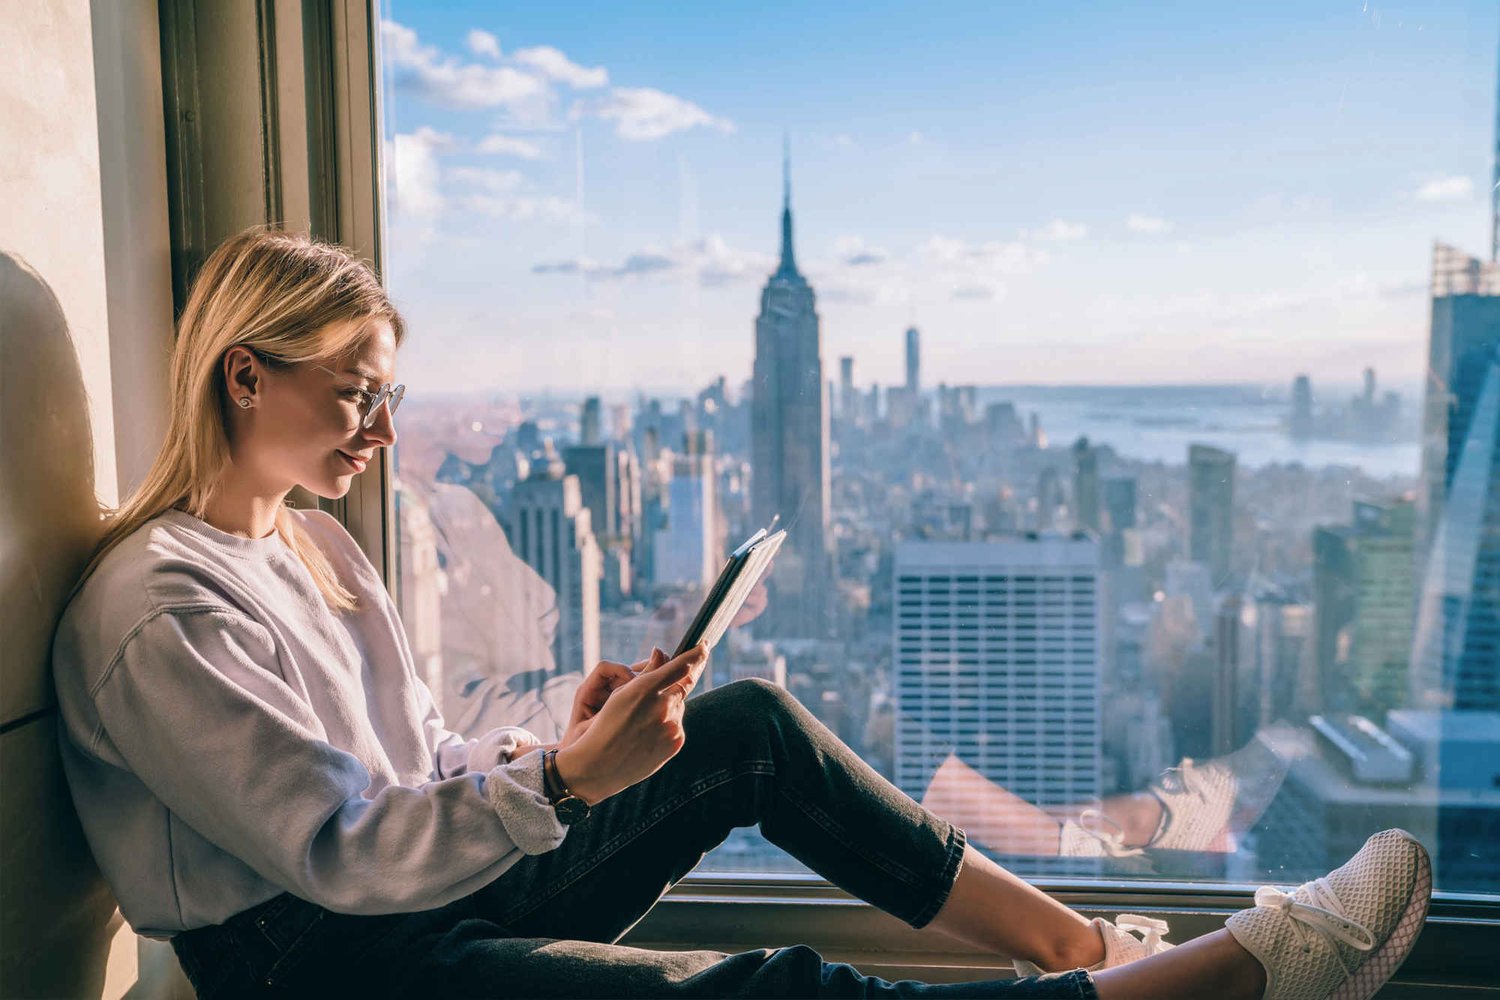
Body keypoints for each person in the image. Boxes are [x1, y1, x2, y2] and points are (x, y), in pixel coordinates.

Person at [52, 229, 1432, 1000]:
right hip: (310, 973)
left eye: (391, 396)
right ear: (243, 374)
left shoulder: (318, 554)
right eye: (356, 390)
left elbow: (409, 761)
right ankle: (1201, 995)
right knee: (758, 991)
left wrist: (553, 746)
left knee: (751, 728)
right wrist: (573, 786)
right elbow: (342, 852)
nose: (380, 430)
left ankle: (1092, 948)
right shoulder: (156, 611)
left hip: (410, 896)